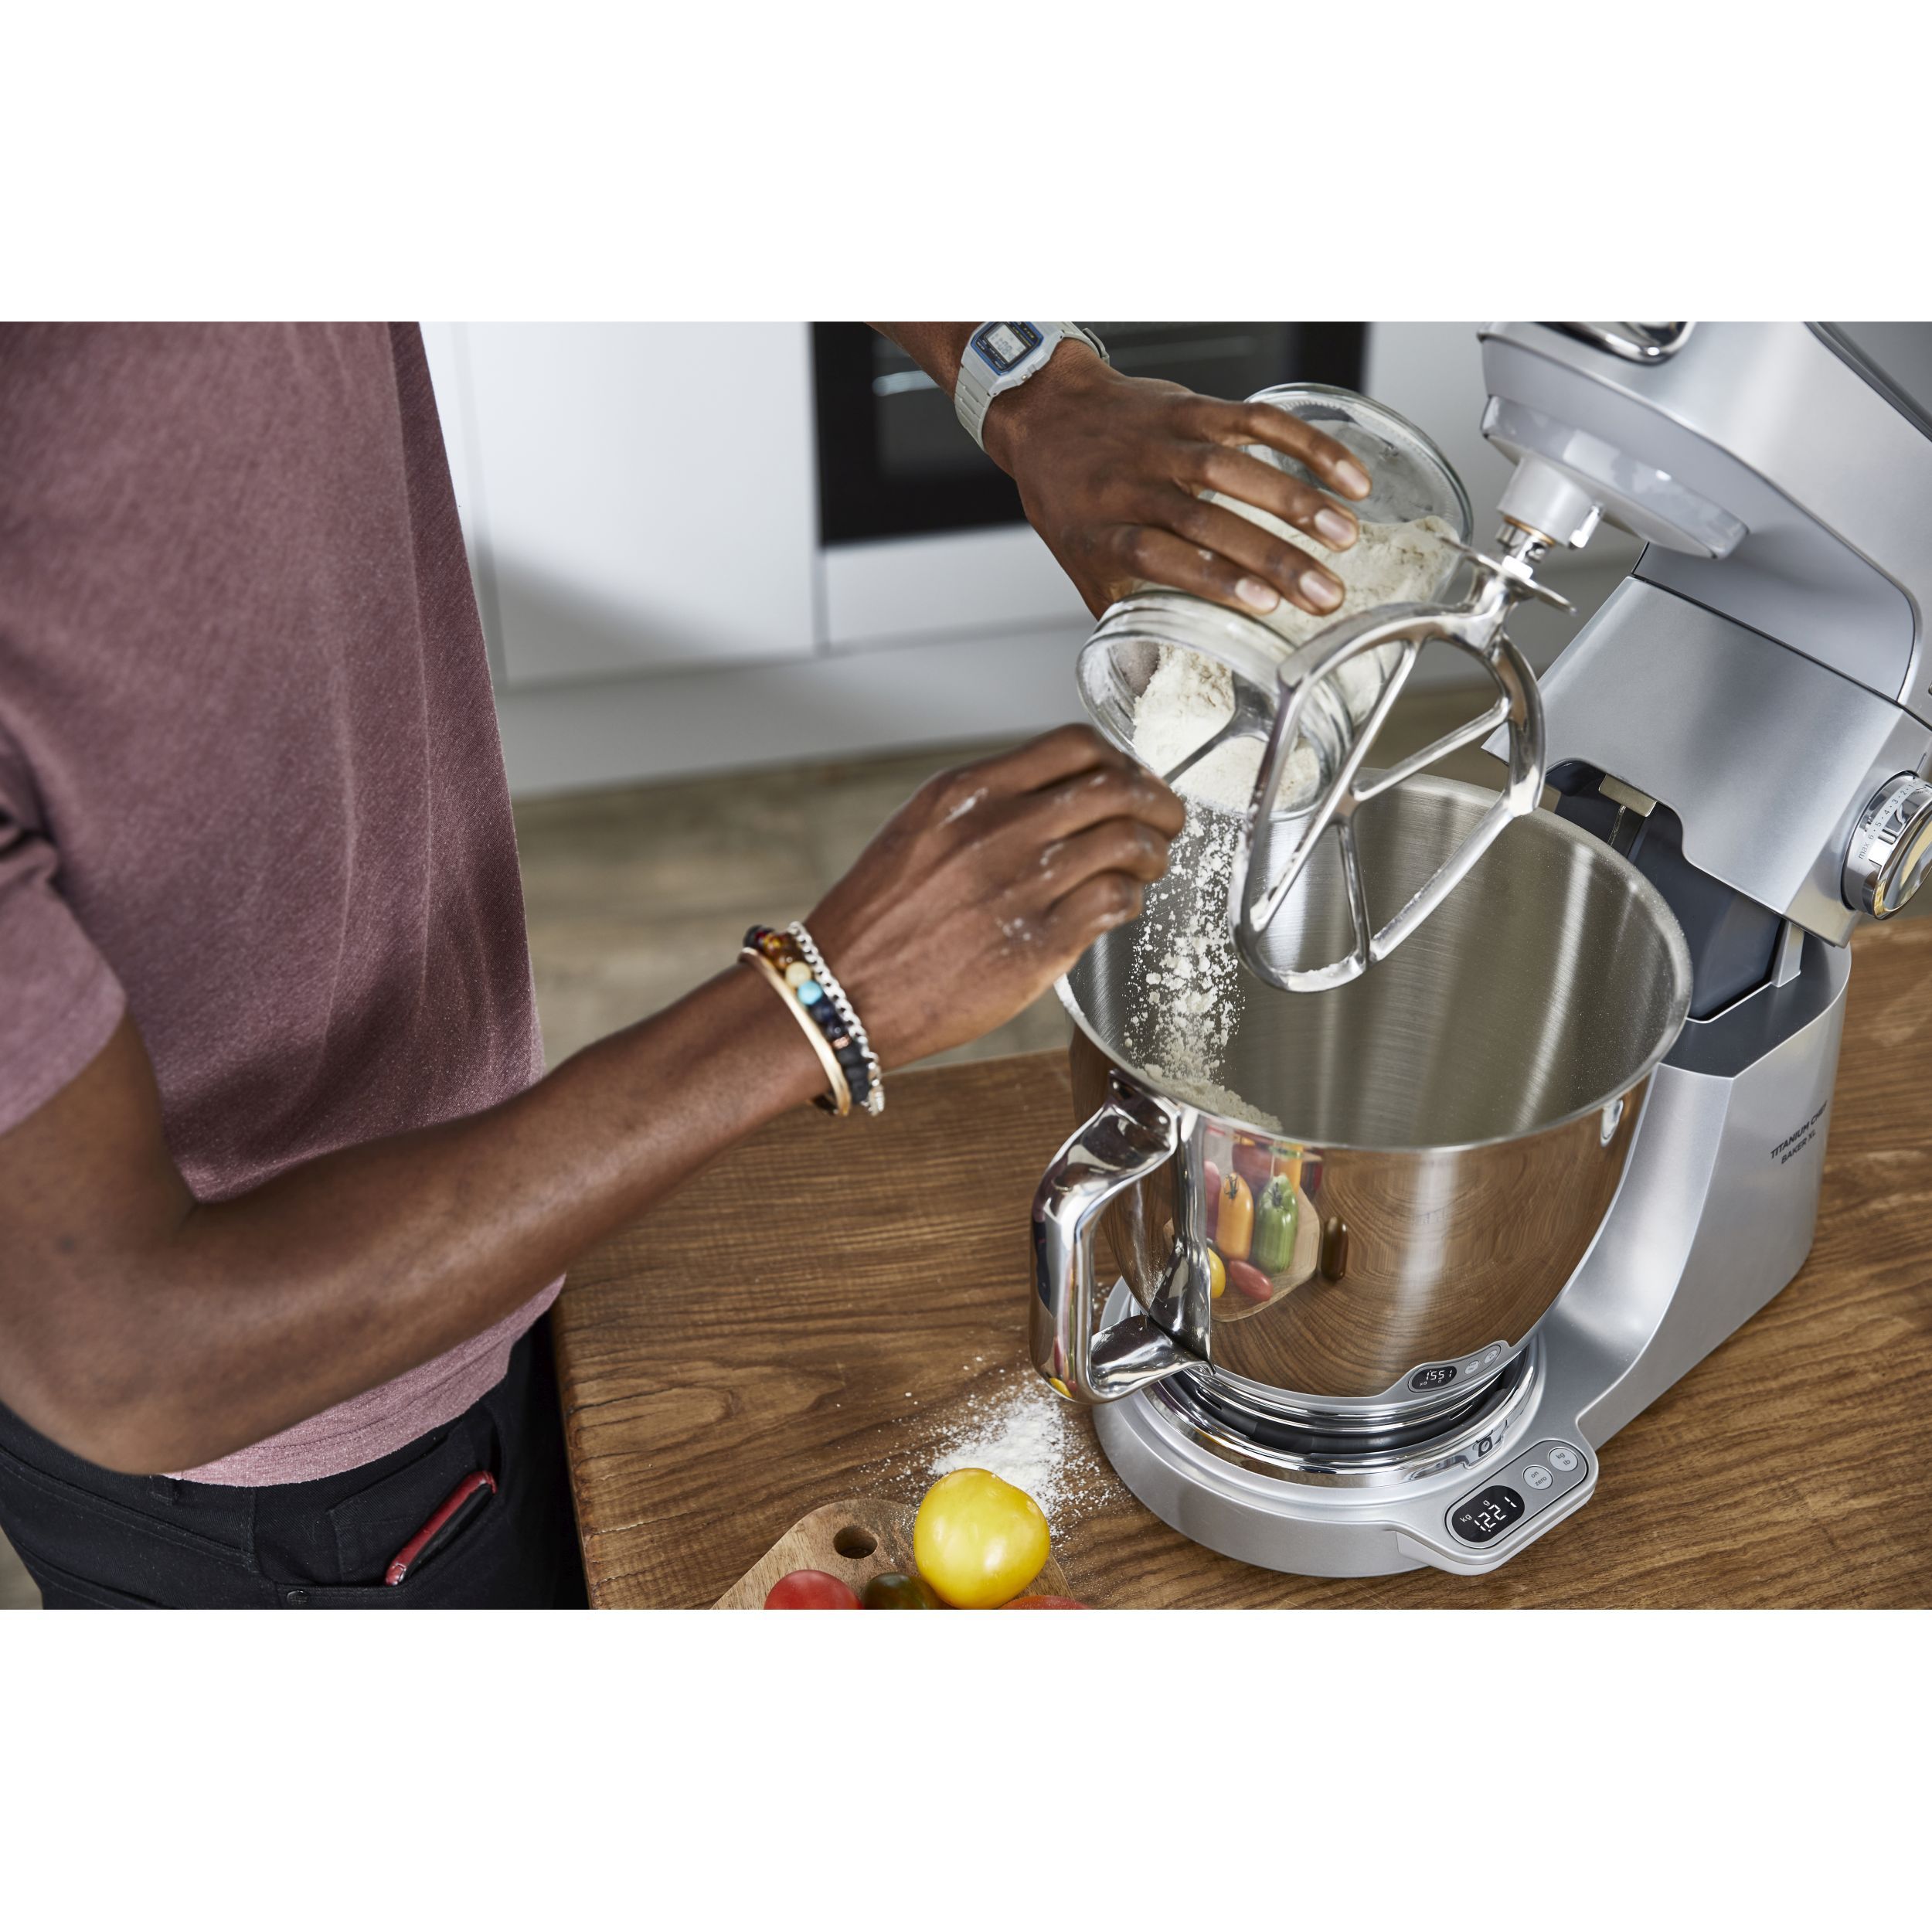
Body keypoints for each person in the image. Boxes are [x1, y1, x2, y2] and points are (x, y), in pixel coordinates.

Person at [0, 321, 1372, 1607]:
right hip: (285, 1474)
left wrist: (1024, 381)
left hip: (467, 1181)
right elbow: (129, 1359)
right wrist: (819, 1004)